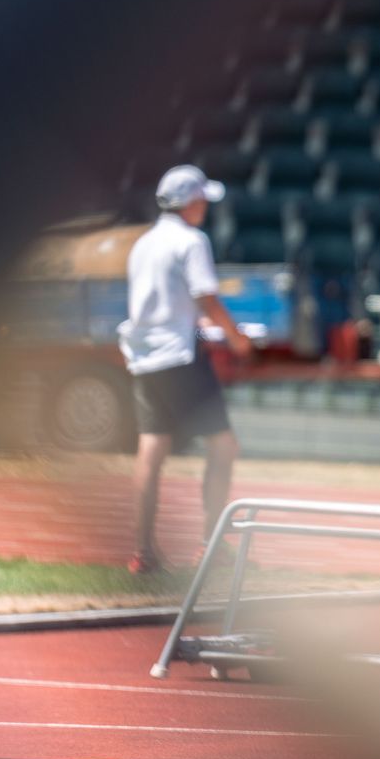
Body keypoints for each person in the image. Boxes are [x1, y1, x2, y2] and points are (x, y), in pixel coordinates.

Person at [118, 165, 254, 574]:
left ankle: (143, 551)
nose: (205, 209)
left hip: (143, 354)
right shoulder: (193, 241)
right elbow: (206, 297)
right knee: (223, 445)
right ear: (190, 202)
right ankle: (210, 546)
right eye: (202, 201)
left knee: (151, 449)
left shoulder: (143, 243)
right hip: (179, 355)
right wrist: (236, 338)